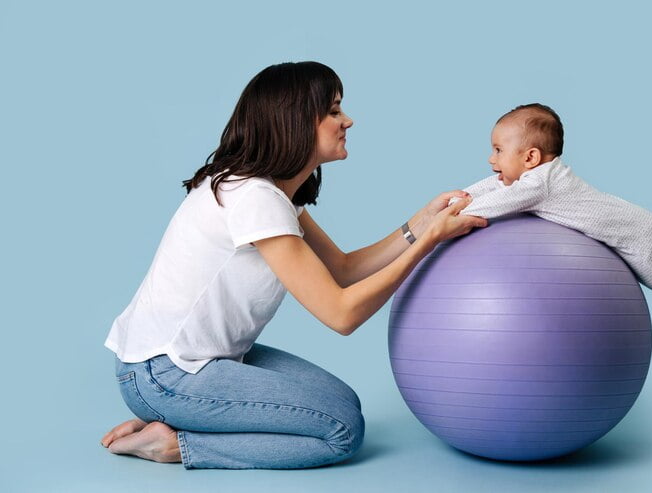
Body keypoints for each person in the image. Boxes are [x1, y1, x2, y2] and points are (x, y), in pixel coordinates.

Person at [99, 61, 487, 470]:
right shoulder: (255, 198)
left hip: (187, 365)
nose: (348, 120)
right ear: (298, 121)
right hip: (165, 374)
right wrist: (428, 243)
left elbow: (342, 268)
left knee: (342, 402)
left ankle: (177, 416)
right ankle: (177, 444)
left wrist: (420, 222)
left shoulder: (268, 193)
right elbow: (341, 314)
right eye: (334, 110)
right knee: (341, 430)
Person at [451, 103, 652, 331]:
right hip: (628, 225)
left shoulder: (539, 184)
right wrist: (459, 198)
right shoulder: (530, 179)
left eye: (498, 150)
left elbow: (498, 201)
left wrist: (458, 213)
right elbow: (495, 186)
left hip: (636, 231)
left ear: (531, 157)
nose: (490, 158)